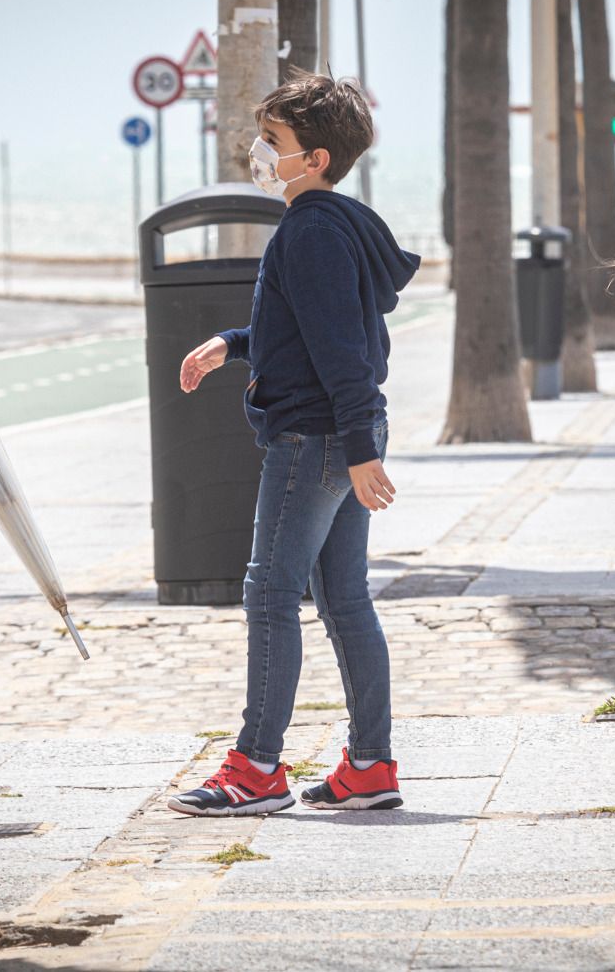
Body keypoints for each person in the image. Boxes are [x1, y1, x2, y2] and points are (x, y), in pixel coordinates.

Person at [168, 72, 419, 816]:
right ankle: (369, 768)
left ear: (312, 159)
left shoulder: (308, 230)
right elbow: (308, 331)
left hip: (314, 437)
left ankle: (256, 769)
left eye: (272, 141)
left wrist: (359, 446)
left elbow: (342, 349)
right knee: (343, 598)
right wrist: (233, 342)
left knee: (271, 595)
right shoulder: (336, 224)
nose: (258, 151)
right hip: (338, 431)